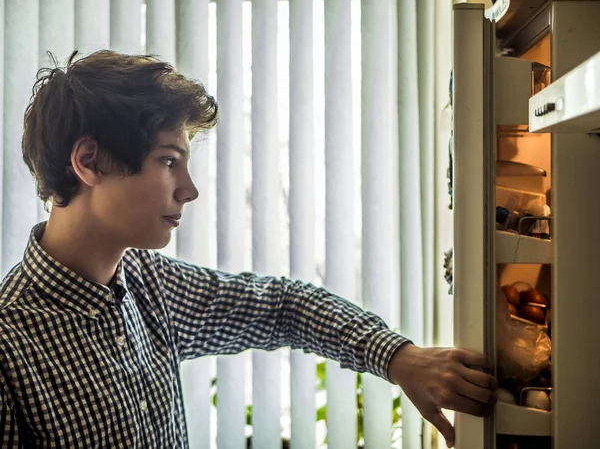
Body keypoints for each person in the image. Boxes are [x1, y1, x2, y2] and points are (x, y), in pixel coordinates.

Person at [0, 50, 497, 449]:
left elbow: (282, 307)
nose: (189, 189)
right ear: (89, 162)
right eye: (169, 161)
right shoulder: (10, 348)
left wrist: (399, 359)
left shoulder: (148, 283)